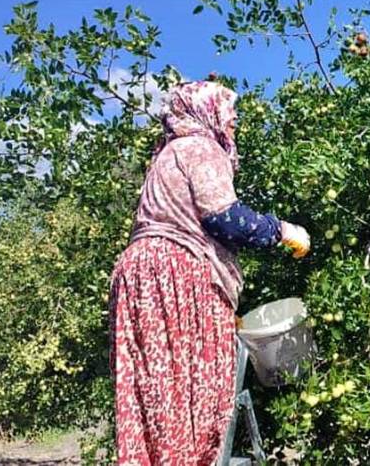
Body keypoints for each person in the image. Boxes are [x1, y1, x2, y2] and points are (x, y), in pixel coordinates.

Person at [109, 79, 310, 465]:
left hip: (142, 276)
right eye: (228, 111)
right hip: (178, 276)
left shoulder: (167, 155)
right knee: (193, 392)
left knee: (159, 389)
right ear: (207, 112)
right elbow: (226, 219)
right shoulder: (200, 148)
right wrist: (284, 231)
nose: (233, 120)